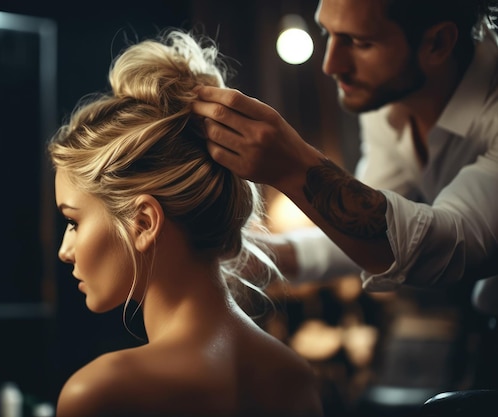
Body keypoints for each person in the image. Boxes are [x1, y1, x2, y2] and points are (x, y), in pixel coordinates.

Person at [48, 29, 323, 417]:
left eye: (73, 222)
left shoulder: (100, 393)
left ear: (143, 222)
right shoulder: (295, 379)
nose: (65, 249)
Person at [193, 0, 498, 309]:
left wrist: (292, 167)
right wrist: (259, 256)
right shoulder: (385, 97)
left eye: (361, 43)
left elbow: (450, 246)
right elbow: (367, 225)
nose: (331, 65)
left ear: (438, 43)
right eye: (328, 33)